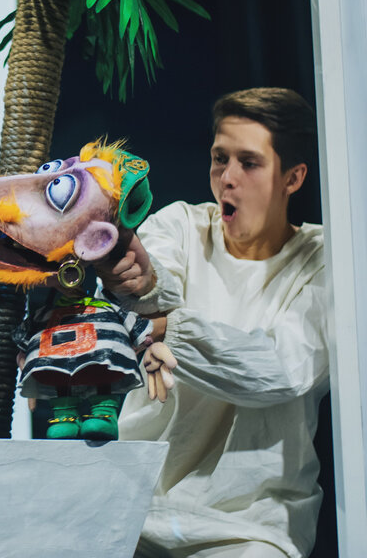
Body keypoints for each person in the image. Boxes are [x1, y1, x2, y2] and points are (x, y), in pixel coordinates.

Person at [97, 87, 329, 558]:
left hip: (252, 526)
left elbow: (281, 369)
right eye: (220, 158)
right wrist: (138, 288)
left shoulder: (324, 258)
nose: (227, 178)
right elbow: (139, 296)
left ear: (293, 177)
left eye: (249, 163)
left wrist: (164, 327)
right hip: (136, 507)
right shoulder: (181, 226)